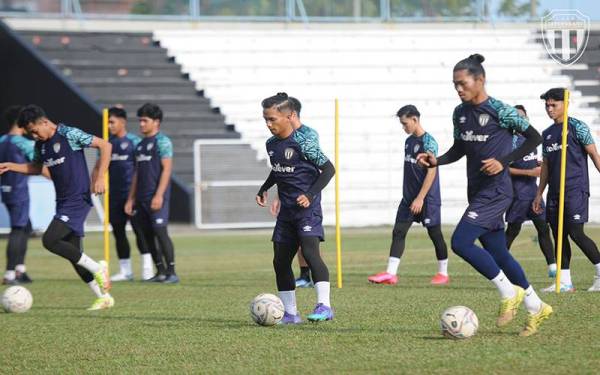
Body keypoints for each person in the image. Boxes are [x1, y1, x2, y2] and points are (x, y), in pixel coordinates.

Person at [417, 54, 551, 336]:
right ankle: (537, 306)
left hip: (497, 190)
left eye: (463, 83)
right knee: (499, 253)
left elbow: (534, 137)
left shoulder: (500, 110)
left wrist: (504, 160)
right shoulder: (460, 113)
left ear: (480, 80)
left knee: (460, 242)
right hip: (477, 190)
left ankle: (507, 293)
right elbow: (459, 149)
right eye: (455, 84)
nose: (458, 89)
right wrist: (436, 160)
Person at [0, 104, 114, 310]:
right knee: (75, 254)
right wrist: (11, 166)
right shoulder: (40, 145)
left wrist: (99, 177)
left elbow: (105, 146)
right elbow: (35, 168)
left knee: (50, 240)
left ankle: (98, 268)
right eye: (30, 133)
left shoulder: (69, 133)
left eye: (34, 131)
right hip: (63, 202)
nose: (34, 136)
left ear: (44, 122)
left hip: (78, 200)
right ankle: (104, 297)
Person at [256, 92, 335, 323]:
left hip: (307, 210)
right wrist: (265, 187)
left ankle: (325, 306)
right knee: (280, 261)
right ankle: (290, 313)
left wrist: (310, 195)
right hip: (286, 212)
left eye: (272, 119)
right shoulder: (271, 144)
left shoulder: (304, 142)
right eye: (266, 120)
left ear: (289, 116)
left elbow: (329, 169)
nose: (269, 124)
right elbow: (279, 168)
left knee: (310, 253)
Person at [368, 104, 449, 285]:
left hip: (427, 199)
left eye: (405, 123)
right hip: (408, 198)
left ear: (415, 119)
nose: (404, 127)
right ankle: (391, 273)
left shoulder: (429, 142)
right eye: (402, 124)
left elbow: (431, 172)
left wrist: (420, 198)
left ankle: (443, 273)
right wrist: (411, 197)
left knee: (435, 234)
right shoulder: (409, 142)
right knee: (399, 231)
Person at [533, 88, 600, 292]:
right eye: (547, 105)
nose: (550, 109)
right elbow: (545, 166)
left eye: (554, 105)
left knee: (575, 232)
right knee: (558, 234)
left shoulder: (577, 127)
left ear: (566, 104)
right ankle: (564, 282)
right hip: (554, 192)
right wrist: (539, 194)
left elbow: (595, 156)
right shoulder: (547, 134)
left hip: (575, 189)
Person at [92, 107, 152, 281]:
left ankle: (147, 269)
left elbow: (140, 168)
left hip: (132, 195)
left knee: (139, 231)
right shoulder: (106, 144)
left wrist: (134, 196)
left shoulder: (134, 141)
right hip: (114, 196)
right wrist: (95, 181)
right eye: (107, 122)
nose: (109, 126)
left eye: (112, 122)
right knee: (118, 232)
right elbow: (98, 167)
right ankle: (126, 271)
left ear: (122, 122)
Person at [124, 103, 178, 284]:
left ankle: (171, 272)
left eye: (144, 120)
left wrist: (159, 195)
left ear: (156, 122)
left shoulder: (162, 142)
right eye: (140, 120)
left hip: (157, 197)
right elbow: (137, 173)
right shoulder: (139, 145)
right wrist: (131, 198)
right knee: (146, 235)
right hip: (141, 198)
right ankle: (160, 271)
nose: (141, 124)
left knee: (160, 232)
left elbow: (167, 170)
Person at [269, 96, 319, 288]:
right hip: (289, 197)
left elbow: (313, 168)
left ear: (292, 114)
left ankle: (315, 277)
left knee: (309, 243)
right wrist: (278, 195)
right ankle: (305, 275)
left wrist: (310, 194)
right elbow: (283, 169)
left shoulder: (308, 135)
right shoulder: (278, 140)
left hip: (308, 196)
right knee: (294, 242)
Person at [505, 105, 557, 277]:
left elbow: (532, 162)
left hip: (534, 193)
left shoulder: (532, 140)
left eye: (523, 116)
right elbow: (503, 168)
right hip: (518, 194)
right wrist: (529, 172)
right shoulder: (509, 142)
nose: (521, 119)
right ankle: (498, 265)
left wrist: (539, 165)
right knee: (513, 230)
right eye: (517, 116)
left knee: (543, 228)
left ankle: (553, 268)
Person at [0, 105, 34, 285]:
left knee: (26, 226)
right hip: (19, 190)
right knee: (18, 229)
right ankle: (10, 274)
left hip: (5, 189)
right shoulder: (22, 143)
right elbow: (38, 163)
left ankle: (20, 270)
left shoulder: (2, 140)